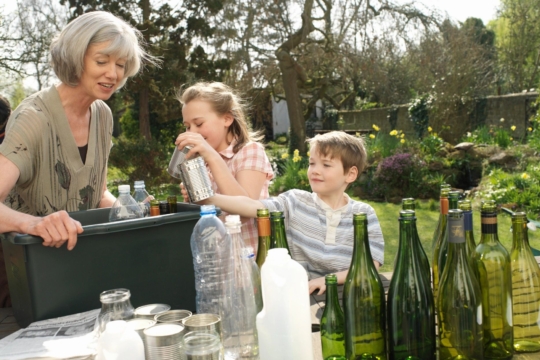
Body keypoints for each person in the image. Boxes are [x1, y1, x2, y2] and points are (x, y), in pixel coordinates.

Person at [0, 11, 152, 306]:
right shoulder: (33, 118)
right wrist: (34, 224)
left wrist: (129, 210)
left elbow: (96, 193)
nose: (113, 74)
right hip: (25, 278)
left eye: (120, 65)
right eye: (101, 61)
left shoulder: (102, 115)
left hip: (79, 267)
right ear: (75, 57)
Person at [196, 131, 384, 295]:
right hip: (302, 294)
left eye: (326, 165)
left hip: (349, 294)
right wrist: (208, 199)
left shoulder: (364, 214)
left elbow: (370, 265)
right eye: (312, 163)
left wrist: (327, 280)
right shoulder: (294, 202)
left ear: (350, 174)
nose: (315, 171)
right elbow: (251, 206)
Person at [175, 82, 274, 252]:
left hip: (249, 256)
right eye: (187, 126)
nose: (191, 132)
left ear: (227, 119)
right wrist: (193, 198)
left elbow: (246, 209)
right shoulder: (201, 161)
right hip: (215, 255)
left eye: (198, 124)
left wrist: (212, 157)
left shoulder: (250, 152)